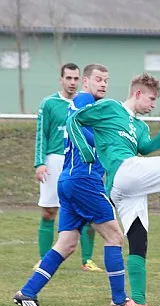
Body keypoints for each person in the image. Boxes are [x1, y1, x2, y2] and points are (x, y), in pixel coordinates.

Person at [66, 72, 160, 306]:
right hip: (123, 171)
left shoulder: (140, 126)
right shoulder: (110, 107)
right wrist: (89, 152)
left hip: (125, 187)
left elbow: (144, 147)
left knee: (138, 240)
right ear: (138, 94)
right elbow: (74, 120)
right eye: (152, 99)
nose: (153, 104)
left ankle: (139, 304)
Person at [13, 64, 129, 306]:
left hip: (69, 180)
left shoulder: (87, 106)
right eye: (98, 79)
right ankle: (120, 300)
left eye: (106, 81)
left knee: (66, 244)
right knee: (114, 237)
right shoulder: (84, 102)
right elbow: (90, 134)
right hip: (84, 180)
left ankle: (27, 292)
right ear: (85, 82)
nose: (103, 84)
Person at [32, 63, 102, 272]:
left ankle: (87, 260)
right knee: (48, 212)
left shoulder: (89, 104)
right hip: (54, 160)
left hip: (80, 162)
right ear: (61, 80)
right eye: (68, 78)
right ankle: (45, 260)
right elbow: (41, 134)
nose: (72, 82)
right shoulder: (50, 103)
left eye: (76, 78)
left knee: (88, 211)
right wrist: (40, 162)